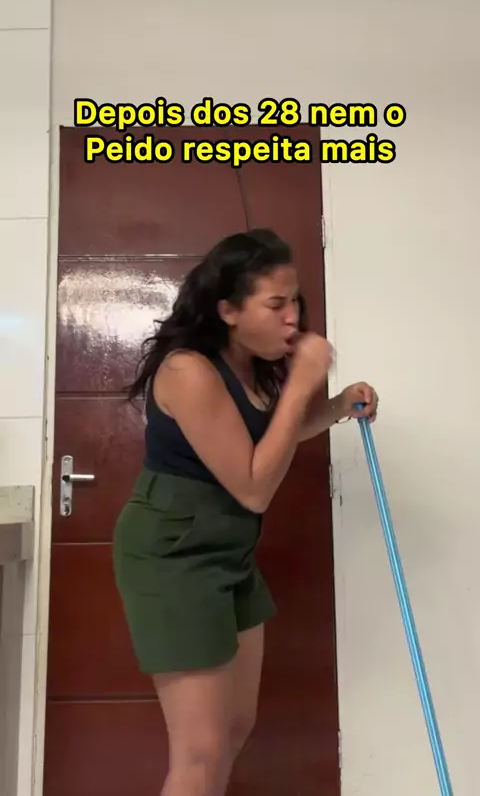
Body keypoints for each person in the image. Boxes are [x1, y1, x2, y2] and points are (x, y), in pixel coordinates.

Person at [113, 228, 378, 796]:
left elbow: (263, 447)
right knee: (199, 752)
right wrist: (303, 382)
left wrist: (335, 406)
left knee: (235, 727)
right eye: (276, 304)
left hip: (228, 550)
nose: (293, 318)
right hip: (174, 554)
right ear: (228, 310)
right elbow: (255, 486)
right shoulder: (188, 371)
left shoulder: (249, 369)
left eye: (295, 301)